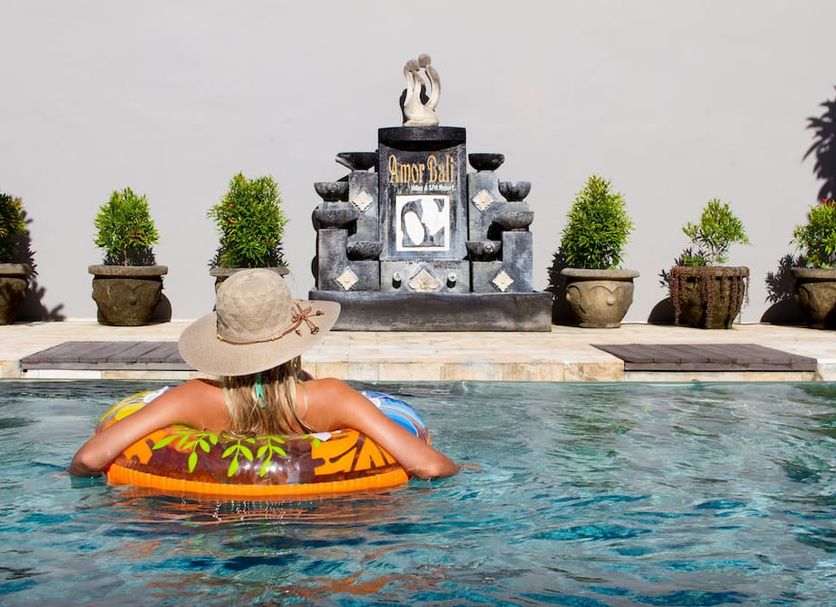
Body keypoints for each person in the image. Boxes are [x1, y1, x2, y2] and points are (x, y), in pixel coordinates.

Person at [70, 269, 459, 479]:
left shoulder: (195, 399)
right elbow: (430, 466)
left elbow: (89, 459)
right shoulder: (329, 398)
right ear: (294, 340)